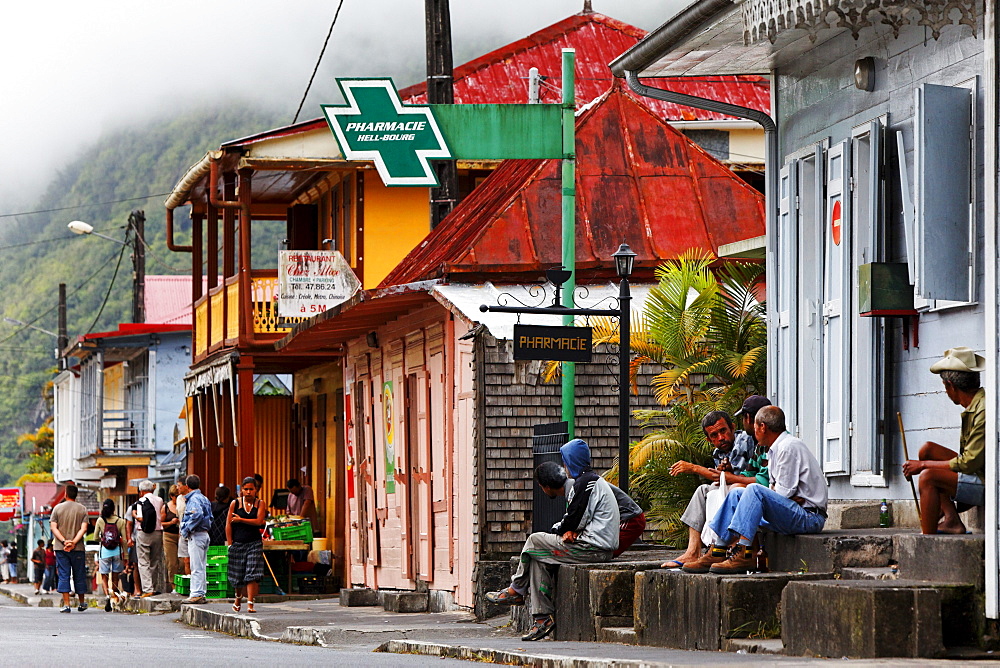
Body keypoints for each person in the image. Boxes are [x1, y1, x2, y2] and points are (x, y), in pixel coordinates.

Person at [485, 461, 619, 641]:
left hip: (594, 548)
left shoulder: (583, 485)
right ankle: (542, 619)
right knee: (538, 557)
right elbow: (574, 519)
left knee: (534, 540)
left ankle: (516, 590)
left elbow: (575, 519)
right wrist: (568, 529)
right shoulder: (585, 482)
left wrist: (568, 529)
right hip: (593, 544)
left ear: (546, 487)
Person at [684, 405, 827, 574]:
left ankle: (745, 553)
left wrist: (780, 496)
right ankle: (718, 550)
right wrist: (781, 496)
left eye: (755, 427)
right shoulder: (775, 448)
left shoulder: (788, 447)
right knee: (737, 493)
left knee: (754, 490)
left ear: (762, 427)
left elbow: (781, 494)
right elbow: (778, 491)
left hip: (809, 517)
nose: (753, 432)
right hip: (794, 510)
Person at [661, 401, 771, 569]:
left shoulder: (745, 439)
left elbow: (729, 478)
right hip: (738, 484)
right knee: (702, 491)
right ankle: (693, 551)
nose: (721, 438)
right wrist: (727, 472)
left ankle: (725, 548)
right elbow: (723, 477)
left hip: (749, 490)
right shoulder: (718, 452)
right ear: (708, 439)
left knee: (733, 490)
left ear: (733, 428)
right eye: (714, 435)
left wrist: (694, 468)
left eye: (723, 431)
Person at [903, 347, 986, 535]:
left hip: (987, 481)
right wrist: (923, 462)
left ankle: (927, 539)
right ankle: (951, 520)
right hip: (978, 471)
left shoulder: (983, 410)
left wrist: (922, 466)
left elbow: (968, 463)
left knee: (927, 477)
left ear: (951, 386)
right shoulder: (976, 403)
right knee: (928, 450)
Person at [559, 438, 646, 557]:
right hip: (621, 516)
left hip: (630, 518)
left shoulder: (582, 484)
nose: (564, 467)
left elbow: (579, 516)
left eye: (565, 463)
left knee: (601, 551)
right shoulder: (584, 480)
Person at [227, 476, 267, 614]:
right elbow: (229, 524)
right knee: (237, 575)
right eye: (246, 489)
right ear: (242, 490)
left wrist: (241, 519)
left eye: (251, 489)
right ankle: (238, 598)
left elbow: (259, 521)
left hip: (254, 543)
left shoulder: (260, 503)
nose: (248, 492)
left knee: (252, 573)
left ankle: (250, 602)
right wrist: (230, 543)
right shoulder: (235, 504)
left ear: (256, 490)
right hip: (238, 543)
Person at [49, 484, 90, 612]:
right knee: (79, 574)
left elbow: (53, 527)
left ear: (65, 494)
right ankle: (82, 603)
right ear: (76, 495)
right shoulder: (82, 509)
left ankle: (67, 605)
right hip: (77, 548)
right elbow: (84, 529)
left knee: (63, 574)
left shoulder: (57, 508)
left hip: (61, 548)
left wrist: (64, 541)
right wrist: (73, 542)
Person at [180, 474, 213, 604]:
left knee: (196, 566)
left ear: (187, 486)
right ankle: (201, 592)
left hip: (196, 534)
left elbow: (197, 514)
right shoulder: (204, 498)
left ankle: (196, 593)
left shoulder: (193, 499)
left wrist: (187, 528)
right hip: (204, 533)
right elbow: (209, 516)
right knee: (201, 565)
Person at [130, 480, 165, 598]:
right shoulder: (160, 500)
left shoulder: (140, 502)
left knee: (143, 561)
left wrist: (134, 515)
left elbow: (140, 518)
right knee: (155, 561)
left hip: (143, 533)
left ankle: (148, 588)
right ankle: (154, 587)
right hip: (158, 532)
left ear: (141, 491)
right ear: (152, 489)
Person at [94, 498, 127, 611]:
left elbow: (95, 537)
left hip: (105, 552)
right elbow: (125, 540)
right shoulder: (120, 521)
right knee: (115, 576)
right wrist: (126, 555)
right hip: (117, 551)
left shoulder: (100, 520)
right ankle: (114, 594)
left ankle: (108, 595)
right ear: (114, 509)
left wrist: (103, 539)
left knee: (104, 575)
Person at [161, 484, 181, 592]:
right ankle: (173, 585)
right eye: (175, 496)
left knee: (183, 562)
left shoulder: (183, 505)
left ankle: (182, 583)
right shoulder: (166, 507)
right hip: (169, 536)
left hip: (181, 535)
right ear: (171, 496)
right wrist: (170, 522)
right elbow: (160, 523)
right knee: (172, 563)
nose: (177, 498)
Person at [175, 476, 191, 575]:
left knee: (193, 560)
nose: (177, 488)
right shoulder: (178, 499)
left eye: (179, 485)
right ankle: (189, 584)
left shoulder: (193, 498)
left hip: (192, 531)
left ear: (186, 486)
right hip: (183, 531)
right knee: (186, 560)